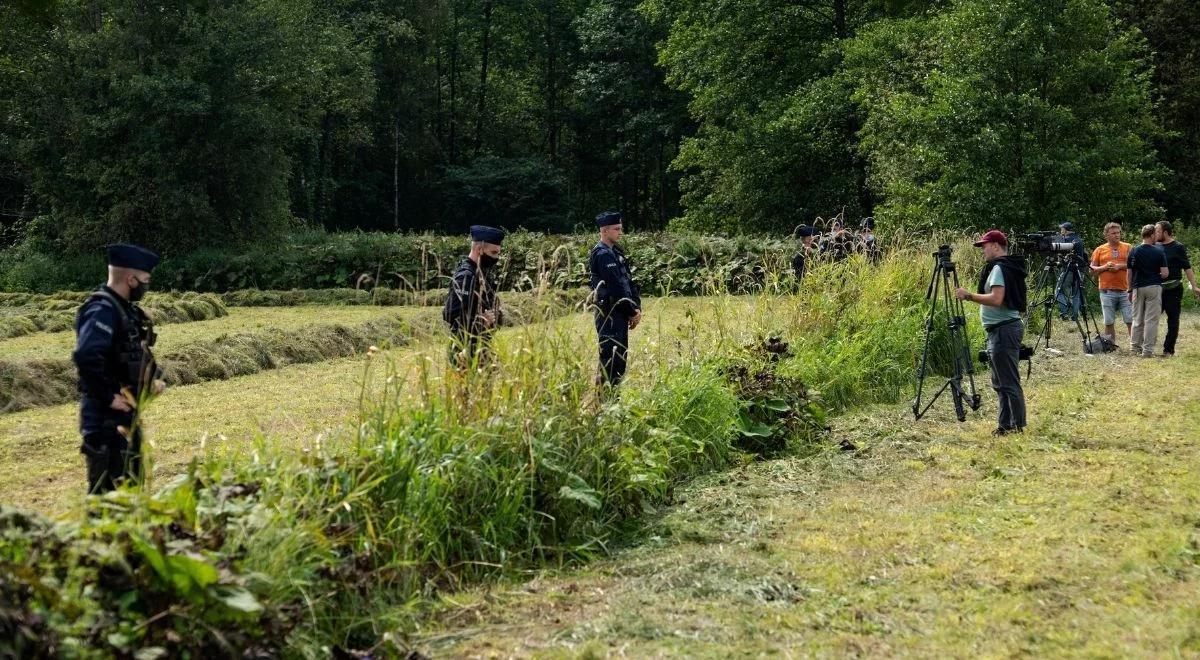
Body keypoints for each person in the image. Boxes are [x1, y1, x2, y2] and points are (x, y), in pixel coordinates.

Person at [74, 243, 165, 494]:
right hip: (105, 422)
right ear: (131, 279)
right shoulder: (102, 310)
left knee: (130, 493)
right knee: (108, 499)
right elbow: (86, 355)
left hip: (126, 419)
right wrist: (107, 396)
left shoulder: (125, 311)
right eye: (145, 280)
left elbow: (129, 355)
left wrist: (150, 382)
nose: (147, 285)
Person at [954, 230, 1027, 436]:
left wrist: (968, 296)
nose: (983, 251)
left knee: (1007, 381)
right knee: (1001, 381)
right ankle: (1006, 424)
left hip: (1003, 329)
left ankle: (1016, 425)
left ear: (996, 245)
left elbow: (996, 299)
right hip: (1003, 328)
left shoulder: (999, 268)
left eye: (984, 246)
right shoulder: (1009, 266)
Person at [589, 211, 641, 389]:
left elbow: (628, 281)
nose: (620, 232)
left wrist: (636, 307)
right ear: (604, 231)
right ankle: (603, 405)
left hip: (621, 313)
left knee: (619, 360)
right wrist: (632, 312)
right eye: (616, 229)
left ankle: (613, 402)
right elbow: (616, 289)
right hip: (609, 315)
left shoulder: (616, 252)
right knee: (609, 361)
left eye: (621, 228)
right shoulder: (602, 254)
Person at [443, 225, 505, 370]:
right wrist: (480, 321)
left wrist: (497, 314)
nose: (496, 258)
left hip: (480, 347)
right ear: (479, 249)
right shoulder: (466, 276)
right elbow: (450, 314)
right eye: (493, 253)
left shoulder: (483, 274)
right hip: (463, 351)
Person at [1155, 221, 1200, 357]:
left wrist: (1194, 286)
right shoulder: (1155, 246)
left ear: (1165, 232)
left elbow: (1187, 267)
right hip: (1156, 289)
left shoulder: (1178, 247)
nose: (1155, 233)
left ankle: (1168, 350)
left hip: (1173, 288)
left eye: (1157, 231)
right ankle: (1148, 348)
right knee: (1151, 318)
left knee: (1173, 320)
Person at [1126, 224, 1168, 358]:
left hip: (1137, 288)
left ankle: (1134, 348)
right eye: (1155, 234)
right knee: (1151, 320)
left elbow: (1129, 273)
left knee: (1137, 319)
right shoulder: (1159, 251)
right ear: (1151, 235)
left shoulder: (1134, 251)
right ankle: (1147, 351)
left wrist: (1129, 289)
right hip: (1154, 287)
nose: (1156, 236)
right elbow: (1165, 273)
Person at [1090, 222, 1133, 343]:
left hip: (1126, 290)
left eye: (1118, 232)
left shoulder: (1128, 247)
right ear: (1106, 235)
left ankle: (1134, 344)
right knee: (1108, 321)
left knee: (1130, 319)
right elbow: (1092, 270)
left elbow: (1135, 265)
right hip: (1106, 290)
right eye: (1113, 233)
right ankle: (1110, 345)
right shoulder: (1099, 249)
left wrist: (1119, 266)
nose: (1117, 235)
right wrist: (1104, 267)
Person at [1055, 221, 1087, 321]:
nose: (1061, 231)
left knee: (1058, 291)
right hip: (1080, 270)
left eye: (1061, 229)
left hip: (1068, 270)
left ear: (1065, 229)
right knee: (1076, 294)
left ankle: (1064, 313)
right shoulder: (1079, 240)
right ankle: (1075, 317)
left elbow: (1059, 256)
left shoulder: (1064, 240)